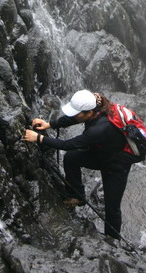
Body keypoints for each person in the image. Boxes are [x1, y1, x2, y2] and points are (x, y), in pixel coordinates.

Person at [24, 89, 138, 240]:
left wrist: (39, 138)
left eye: (78, 113)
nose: (75, 115)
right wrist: (49, 124)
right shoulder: (97, 104)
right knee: (71, 159)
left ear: (89, 113)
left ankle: (113, 241)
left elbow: (68, 144)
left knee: (112, 209)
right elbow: (75, 118)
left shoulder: (99, 129)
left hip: (116, 164)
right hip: (103, 151)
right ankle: (78, 196)